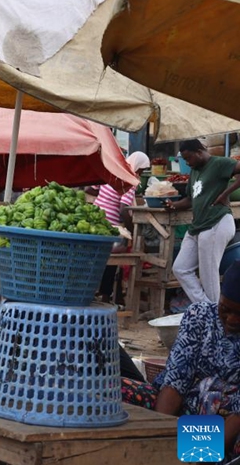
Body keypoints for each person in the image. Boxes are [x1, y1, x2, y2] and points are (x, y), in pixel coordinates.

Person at [121, 260, 240, 461]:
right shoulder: (200, 316)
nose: (231, 319)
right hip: (179, 416)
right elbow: (176, 382)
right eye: (225, 309)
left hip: (223, 430)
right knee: (112, 390)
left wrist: (199, 454)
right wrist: (159, 440)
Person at [168, 140, 240, 305]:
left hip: (217, 222)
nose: (187, 163)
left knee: (208, 273)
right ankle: (208, 308)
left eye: (189, 158)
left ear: (200, 152)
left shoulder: (219, 163)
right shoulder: (195, 171)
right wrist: (173, 205)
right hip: (198, 226)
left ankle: (214, 314)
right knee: (180, 268)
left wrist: (226, 193)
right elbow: (190, 200)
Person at [86, 151, 150, 302]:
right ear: (137, 166)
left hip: (94, 219)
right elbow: (123, 209)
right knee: (115, 258)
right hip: (110, 225)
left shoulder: (111, 170)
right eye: (141, 170)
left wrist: (104, 200)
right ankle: (106, 294)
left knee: (96, 259)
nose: (141, 173)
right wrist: (132, 231)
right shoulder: (129, 180)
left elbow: (90, 189)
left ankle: (95, 292)